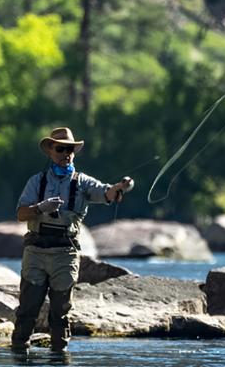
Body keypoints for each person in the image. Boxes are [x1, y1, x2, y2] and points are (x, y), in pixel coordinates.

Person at [11, 127, 134, 353]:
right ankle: (19, 355)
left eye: (70, 149)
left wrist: (120, 187)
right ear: (50, 151)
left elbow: (106, 193)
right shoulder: (36, 182)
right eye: (61, 149)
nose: (66, 153)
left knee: (60, 311)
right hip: (36, 251)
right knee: (28, 308)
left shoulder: (83, 182)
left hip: (65, 253)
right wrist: (40, 208)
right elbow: (20, 214)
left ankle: (59, 361)